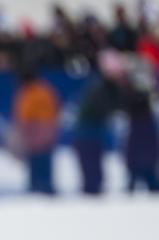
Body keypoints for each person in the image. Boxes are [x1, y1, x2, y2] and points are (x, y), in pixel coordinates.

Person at [73, 49, 127, 195]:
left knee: (95, 172)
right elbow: (106, 107)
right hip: (87, 134)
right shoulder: (102, 87)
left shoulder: (104, 86)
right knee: (92, 173)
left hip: (92, 134)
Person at [11, 65, 62, 195]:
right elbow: (56, 111)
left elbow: (22, 116)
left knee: (37, 168)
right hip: (45, 135)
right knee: (44, 167)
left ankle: (39, 192)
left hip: (35, 136)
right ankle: (45, 191)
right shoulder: (45, 89)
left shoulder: (29, 92)